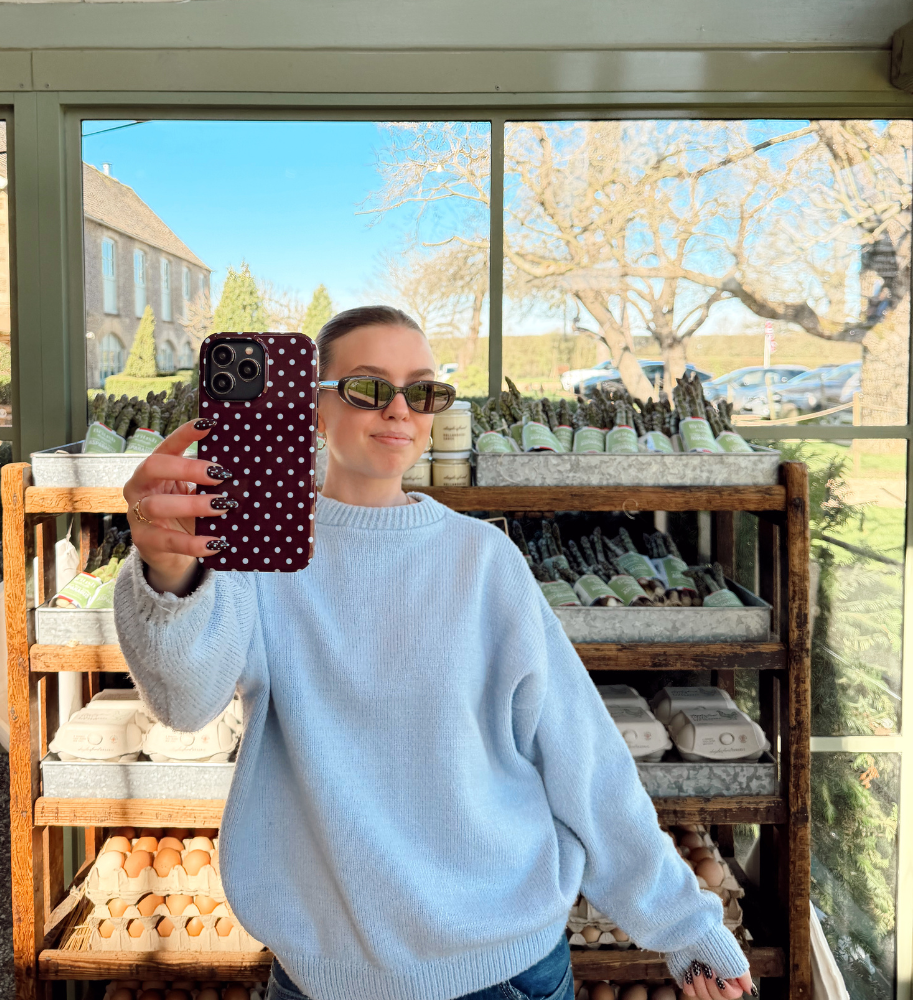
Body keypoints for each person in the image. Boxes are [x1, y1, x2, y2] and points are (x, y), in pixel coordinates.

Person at [116, 305, 756, 1000]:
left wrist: (686, 926)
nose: (399, 409)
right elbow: (183, 702)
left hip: (502, 967)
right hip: (322, 977)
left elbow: (582, 754)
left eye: (423, 390)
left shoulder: (482, 560)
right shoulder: (258, 560)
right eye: (367, 388)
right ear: (313, 410)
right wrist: (165, 571)